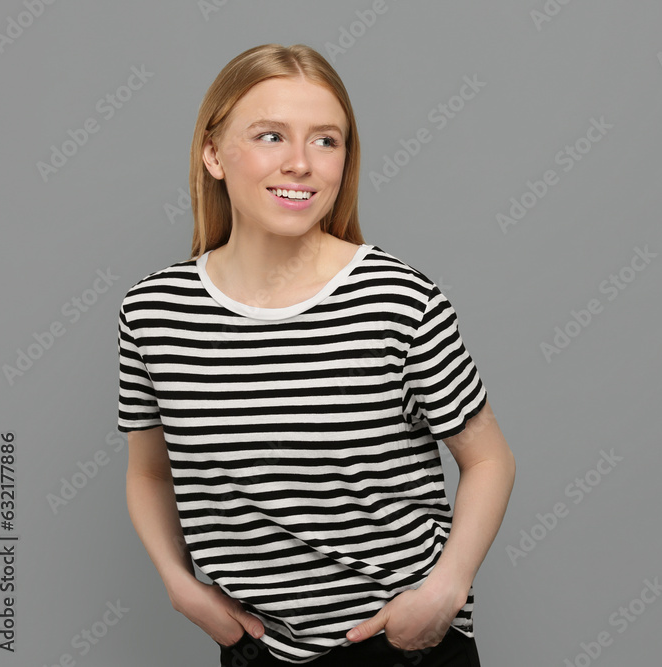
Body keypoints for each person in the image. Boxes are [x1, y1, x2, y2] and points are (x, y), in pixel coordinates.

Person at [117, 43, 516, 666]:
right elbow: (149, 472)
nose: (300, 163)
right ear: (213, 153)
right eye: (270, 135)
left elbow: (489, 459)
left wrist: (446, 589)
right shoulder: (154, 312)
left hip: (398, 646)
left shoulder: (399, 300)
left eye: (326, 141)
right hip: (256, 648)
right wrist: (178, 582)